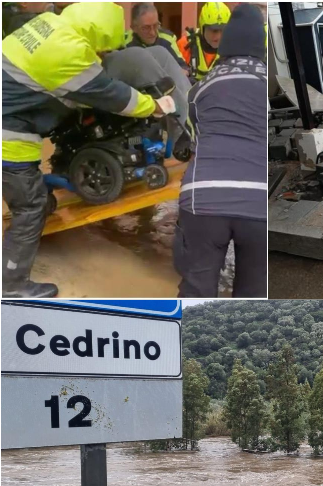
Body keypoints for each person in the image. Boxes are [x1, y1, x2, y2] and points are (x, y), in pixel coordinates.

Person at [2, 2, 170, 298]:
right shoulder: (68, 52)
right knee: (30, 209)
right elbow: (111, 94)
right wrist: (153, 106)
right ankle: (12, 285)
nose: (103, 56)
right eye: (104, 50)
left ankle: (41, 198)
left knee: (33, 195)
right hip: (8, 136)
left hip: (13, 123)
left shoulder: (48, 26)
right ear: (97, 35)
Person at [174, 4, 267, 298]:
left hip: (203, 199)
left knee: (196, 289)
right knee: (253, 295)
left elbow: (192, 138)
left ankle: (183, 340)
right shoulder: (270, 83)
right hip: (260, 204)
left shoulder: (199, 88)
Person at [124, 2, 188, 75]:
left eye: (155, 25)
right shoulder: (124, 42)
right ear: (134, 28)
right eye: (146, 28)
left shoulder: (168, 38)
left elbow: (183, 67)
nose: (153, 33)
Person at [179, 1, 230, 82]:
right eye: (214, 30)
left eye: (223, 30)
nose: (219, 36)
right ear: (203, 28)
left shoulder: (232, 48)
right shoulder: (186, 44)